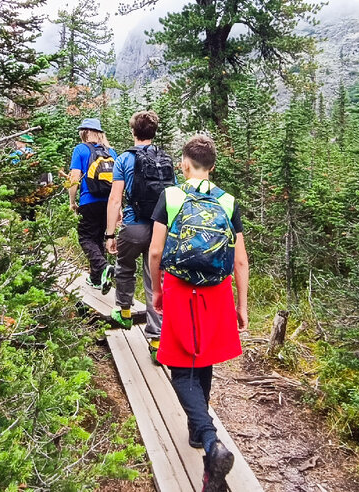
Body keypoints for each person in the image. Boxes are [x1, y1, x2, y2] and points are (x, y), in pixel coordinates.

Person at [147, 134, 248, 492]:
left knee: (180, 370)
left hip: (180, 289)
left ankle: (209, 440)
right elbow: (239, 259)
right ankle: (199, 436)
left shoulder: (171, 197)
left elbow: (156, 253)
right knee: (202, 358)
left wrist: (158, 291)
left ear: (184, 164)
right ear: (213, 167)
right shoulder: (227, 200)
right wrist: (242, 304)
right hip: (217, 292)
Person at [105, 111, 174, 359]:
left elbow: (115, 199)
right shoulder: (164, 159)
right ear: (154, 133)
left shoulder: (124, 159)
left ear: (133, 132)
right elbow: (172, 198)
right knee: (155, 280)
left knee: (124, 265)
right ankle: (157, 341)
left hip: (133, 226)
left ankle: (123, 311)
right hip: (160, 229)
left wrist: (110, 234)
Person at [68, 118, 117, 290]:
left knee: (86, 237)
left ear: (85, 132)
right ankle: (96, 279)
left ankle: (103, 267)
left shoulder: (80, 149)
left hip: (89, 200)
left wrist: (72, 202)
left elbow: (74, 178)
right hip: (109, 202)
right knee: (99, 237)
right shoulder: (111, 152)